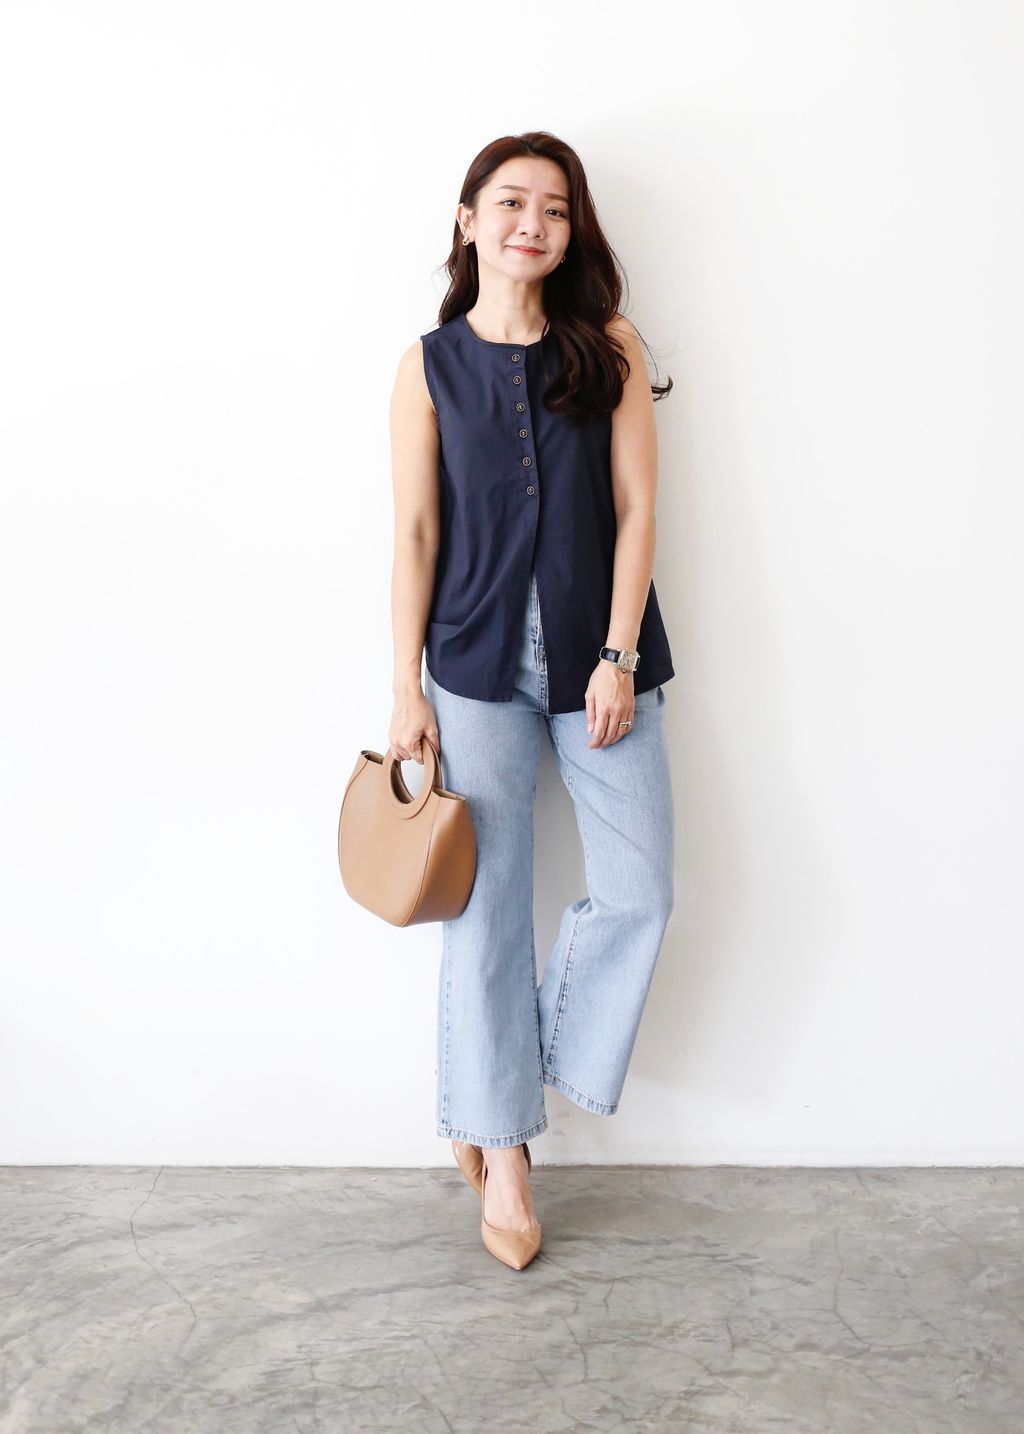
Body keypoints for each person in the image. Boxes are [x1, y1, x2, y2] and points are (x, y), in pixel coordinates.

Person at [387, 131, 677, 1270]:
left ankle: (501, 1075)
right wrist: (403, 688)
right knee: (486, 911)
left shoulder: (608, 345)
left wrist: (616, 653)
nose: (533, 224)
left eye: (555, 209)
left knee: (641, 889)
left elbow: (638, 510)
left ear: (571, 231)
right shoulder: (427, 367)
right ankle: (501, 1154)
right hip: (471, 668)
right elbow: (416, 534)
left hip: (602, 663)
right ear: (468, 221)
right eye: (510, 202)